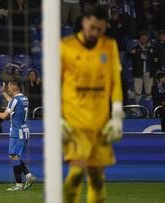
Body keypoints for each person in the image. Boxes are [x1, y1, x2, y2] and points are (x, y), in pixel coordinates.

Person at [61, 5, 124, 203]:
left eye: (100, 29)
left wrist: (116, 114)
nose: (96, 32)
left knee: (97, 178)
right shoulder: (66, 46)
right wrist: (57, 116)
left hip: (101, 122)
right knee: (77, 171)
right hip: (75, 121)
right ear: (83, 22)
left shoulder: (109, 46)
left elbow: (115, 81)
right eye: (92, 27)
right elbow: (55, 83)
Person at [0, 80, 36, 191]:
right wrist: (3, 93)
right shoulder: (24, 98)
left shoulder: (15, 100)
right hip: (24, 131)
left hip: (17, 133)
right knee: (14, 156)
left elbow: (4, 116)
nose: (8, 88)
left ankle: (19, 184)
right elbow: (13, 103)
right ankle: (28, 176)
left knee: (14, 157)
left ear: (14, 87)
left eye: (10, 86)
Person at [128, 31, 158, 104]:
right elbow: (127, 55)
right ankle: (137, 108)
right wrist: (130, 53)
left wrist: (155, 61)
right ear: (140, 39)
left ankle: (150, 109)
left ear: (148, 38)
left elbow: (156, 61)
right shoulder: (135, 48)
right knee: (137, 91)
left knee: (149, 92)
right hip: (138, 73)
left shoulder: (152, 49)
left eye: (145, 37)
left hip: (149, 73)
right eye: (142, 37)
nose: (144, 38)